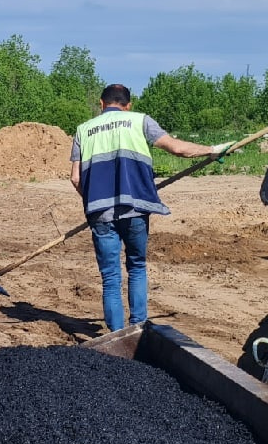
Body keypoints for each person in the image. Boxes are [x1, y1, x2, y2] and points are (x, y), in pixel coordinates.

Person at [70, 84, 230, 330]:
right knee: (136, 266)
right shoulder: (140, 121)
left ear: (102, 104)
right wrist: (211, 150)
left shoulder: (83, 130)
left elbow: (76, 179)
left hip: (99, 212)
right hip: (135, 208)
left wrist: (93, 201)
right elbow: (177, 148)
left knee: (110, 279)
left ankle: (117, 336)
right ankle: (138, 328)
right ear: (128, 105)